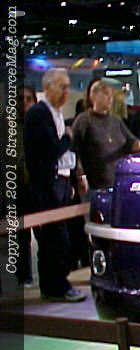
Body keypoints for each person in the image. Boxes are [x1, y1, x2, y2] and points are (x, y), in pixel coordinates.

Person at [24, 68, 87, 302]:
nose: (66, 92)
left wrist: (70, 179)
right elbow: (50, 151)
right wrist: (68, 138)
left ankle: (55, 285)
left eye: (67, 86)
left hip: (61, 181)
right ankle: (56, 286)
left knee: (60, 236)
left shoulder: (57, 113)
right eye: (62, 86)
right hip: (46, 186)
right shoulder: (38, 114)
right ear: (48, 87)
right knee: (54, 239)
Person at [72, 80, 140, 190]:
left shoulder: (116, 121)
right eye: (105, 94)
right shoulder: (84, 121)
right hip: (95, 184)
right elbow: (75, 150)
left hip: (119, 181)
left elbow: (130, 143)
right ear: (93, 96)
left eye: (111, 95)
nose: (109, 98)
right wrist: (80, 175)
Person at [17, 86, 36, 287]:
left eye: (28, 99)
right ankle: (24, 276)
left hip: (38, 187)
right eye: (21, 99)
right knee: (21, 236)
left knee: (45, 234)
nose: (24, 103)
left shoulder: (40, 125)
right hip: (18, 188)